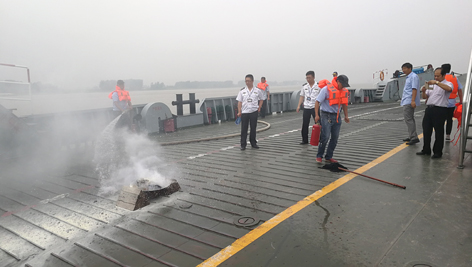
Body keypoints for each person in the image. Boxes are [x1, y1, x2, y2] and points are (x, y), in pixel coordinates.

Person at [416, 68, 453, 159]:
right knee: (426, 130)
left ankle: (437, 152)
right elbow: (426, 97)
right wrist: (424, 91)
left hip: (440, 109)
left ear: (443, 75)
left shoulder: (447, 83)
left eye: (438, 76)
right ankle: (426, 149)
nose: (436, 77)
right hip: (429, 109)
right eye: (435, 76)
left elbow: (449, 89)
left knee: (439, 131)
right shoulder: (431, 84)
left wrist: (436, 83)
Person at [314, 75, 350, 163]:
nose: (344, 87)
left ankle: (329, 156)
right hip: (326, 115)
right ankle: (319, 155)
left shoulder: (343, 91)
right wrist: (316, 115)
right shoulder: (326, 89)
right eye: (343, 84)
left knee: (335, 138)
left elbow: (344, 104)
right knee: (325, 136)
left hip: (337, 116)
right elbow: (317, 102)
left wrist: (346, 116)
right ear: (338, 82)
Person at [236, 74, 263, 150]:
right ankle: (243, 144)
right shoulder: (242, 91)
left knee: (253, 128)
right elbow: (239, 102)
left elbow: (261, 99)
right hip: (245, 112)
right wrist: (239, 111)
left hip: (253, 111)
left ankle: (253, 143)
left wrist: (259, 107)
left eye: (249, 81)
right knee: (244, 129)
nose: (247, 82)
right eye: (246, 81)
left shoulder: (257, 90)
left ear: (252, 81)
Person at [296, 71, 320, 144]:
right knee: (305, 124)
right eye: (307, 78)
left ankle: (319, 138)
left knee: (318, 123)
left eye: (309, 78)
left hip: (314, 107)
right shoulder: (304, 86)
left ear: (313, 77)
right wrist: (298, 105)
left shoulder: (319, 86)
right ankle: (304, 140)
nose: (308, 79)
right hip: (306, 107)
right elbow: (302, 96)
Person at [441, 64, 463, 141]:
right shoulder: (454, 78)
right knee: (449, 119)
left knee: (441, 119)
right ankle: (448, 135)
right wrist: (461, 100)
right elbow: (460, 90)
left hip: (442, 102)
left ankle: (440, 134)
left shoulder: (441, 78)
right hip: (451, 102)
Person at [400, 63, 421, 145]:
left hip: (409, 101)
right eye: (402, 69)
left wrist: (413, 100)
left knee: (408, 119)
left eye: (404, 68)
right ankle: (412, 135)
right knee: (410, 119)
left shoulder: (413, 77)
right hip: (407, 100)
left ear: (410, 68)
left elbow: (414, 89)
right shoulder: (409, 77)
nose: (403, 70)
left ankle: (414, 137)